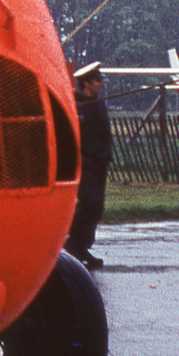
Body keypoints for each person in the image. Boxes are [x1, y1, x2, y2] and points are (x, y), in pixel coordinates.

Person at [66, 62, 111, 270]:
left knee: (97, 206)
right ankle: (72, 244)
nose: (101, 84)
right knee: (89, 203)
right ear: (87, 83)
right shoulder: (77, 104)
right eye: (97, 81)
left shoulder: (99, 102)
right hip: (85, 162)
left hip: (100, 161)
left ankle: (82, 245)